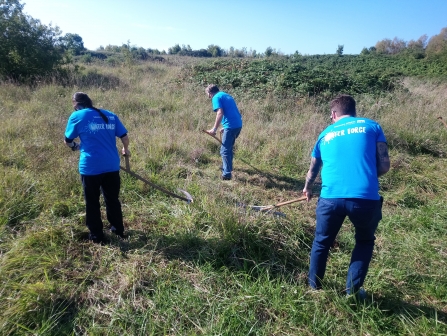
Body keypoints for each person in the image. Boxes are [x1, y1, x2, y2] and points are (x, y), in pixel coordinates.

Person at [302, 94, 390, 297]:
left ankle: (314, 288)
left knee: (321, 242)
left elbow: (313, 168)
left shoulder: (325, 134)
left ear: (333, 114)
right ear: (354, 112)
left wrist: (308, 188)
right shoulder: (372, 126)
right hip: (365, 198)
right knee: (364, 241)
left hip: (330, 197)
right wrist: (365, 175)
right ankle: (352, 293)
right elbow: (384, 165)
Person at [64, 92, 130, 243]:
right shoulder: (110, 115)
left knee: (92, 201)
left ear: (76, 104)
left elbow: (67, 140)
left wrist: (76, 146)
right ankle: (118, 230)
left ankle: (97, 236)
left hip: (91, 167)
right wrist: (125, 149)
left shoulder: (77, 116)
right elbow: (124, 137)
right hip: (112, 165)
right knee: (112, 199)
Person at [205, 84, 243, 180]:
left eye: (208, 95)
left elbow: (220, 112)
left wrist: (214, 129)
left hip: (231, 127)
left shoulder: (216, 97)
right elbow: (232, 111)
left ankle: (226, 175)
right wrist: (224, 127)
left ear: (210, 93)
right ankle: (228, 168)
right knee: (228, 148)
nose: (209, 97)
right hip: (237, 125)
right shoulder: (226, 95)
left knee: (224, 151)